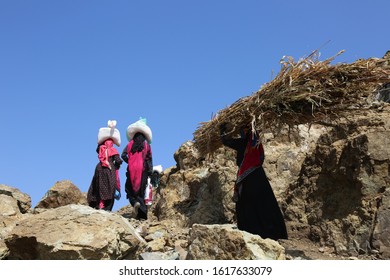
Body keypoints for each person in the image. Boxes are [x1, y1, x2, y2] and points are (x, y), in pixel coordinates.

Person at [220, 123, 288, 240]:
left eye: (244, 130)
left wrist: (222, 130)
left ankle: (251, 229)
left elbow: (226, 141)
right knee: (264, 202)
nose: (242, 132)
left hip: (248, 179)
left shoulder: (244, 143)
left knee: (248, 202)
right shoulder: (256, 144)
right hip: (258, 176)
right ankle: (271, 230)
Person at [121, 118, 153, 220]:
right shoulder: (146, 145)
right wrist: (150, 171)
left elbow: (123, 155)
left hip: (131, 169)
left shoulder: (130, 144)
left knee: (129, 189)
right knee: (141, 191)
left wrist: (130, 162)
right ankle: (142, 216)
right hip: (143, 169)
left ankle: (134, 202)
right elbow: (149, 159)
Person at [87, 120, 122, 211]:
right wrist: (117, 165)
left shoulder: (100, 148)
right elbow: (118, 160)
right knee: (110, 188)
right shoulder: (113, 150)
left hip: (99, 168)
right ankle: (106, 207)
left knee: (98, 186)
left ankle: (97, 204)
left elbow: (97, 150)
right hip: (109, 170)